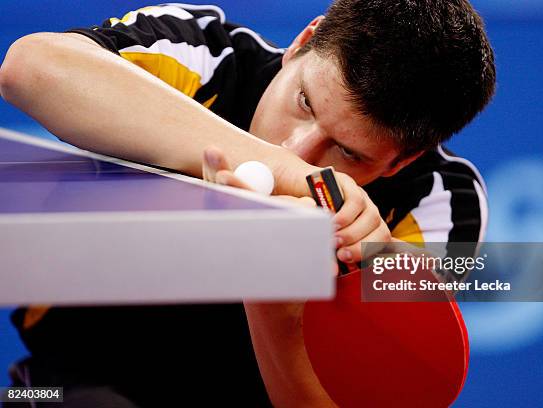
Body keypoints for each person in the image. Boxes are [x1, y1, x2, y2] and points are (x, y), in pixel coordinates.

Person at [0, 0, 495, 406]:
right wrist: (287, 175)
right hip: (63, 385)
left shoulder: (438, 205)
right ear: (304, 42)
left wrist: (271, 282)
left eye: (347, 152)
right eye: (305, 102)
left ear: (399, 162)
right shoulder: (203, 55)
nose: (298, 148)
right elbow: (29, 68)